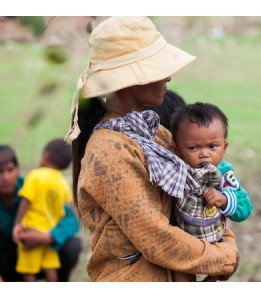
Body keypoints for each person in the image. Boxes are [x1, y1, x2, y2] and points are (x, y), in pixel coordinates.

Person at [65, 16, 239, 282]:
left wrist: (225, 241)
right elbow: (156, 237)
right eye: (159, 69)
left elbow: (201, 186)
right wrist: (222, 257)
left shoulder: (155, 132)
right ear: (132, 79)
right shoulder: (108, 152)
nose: (169, 76)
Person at [169, 102, 253, 281]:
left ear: (225, 147)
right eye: (193, 148)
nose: (204, 154)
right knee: (180, 276)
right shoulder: (176, 172)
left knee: (224, 269)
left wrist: (223, 199)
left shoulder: (223, 174)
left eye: (212, 146)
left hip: (215, 240)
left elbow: (245, 208)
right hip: (185, 243)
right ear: (176, 150)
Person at [0, 145, 81, 282]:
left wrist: (47, 237)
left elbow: (71, 221)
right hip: (9, 263)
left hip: (42, 253)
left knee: (72, 246)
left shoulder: (36, 185)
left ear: (18, 170)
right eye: (0, 172)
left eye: (10, 170)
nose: (6, 177)